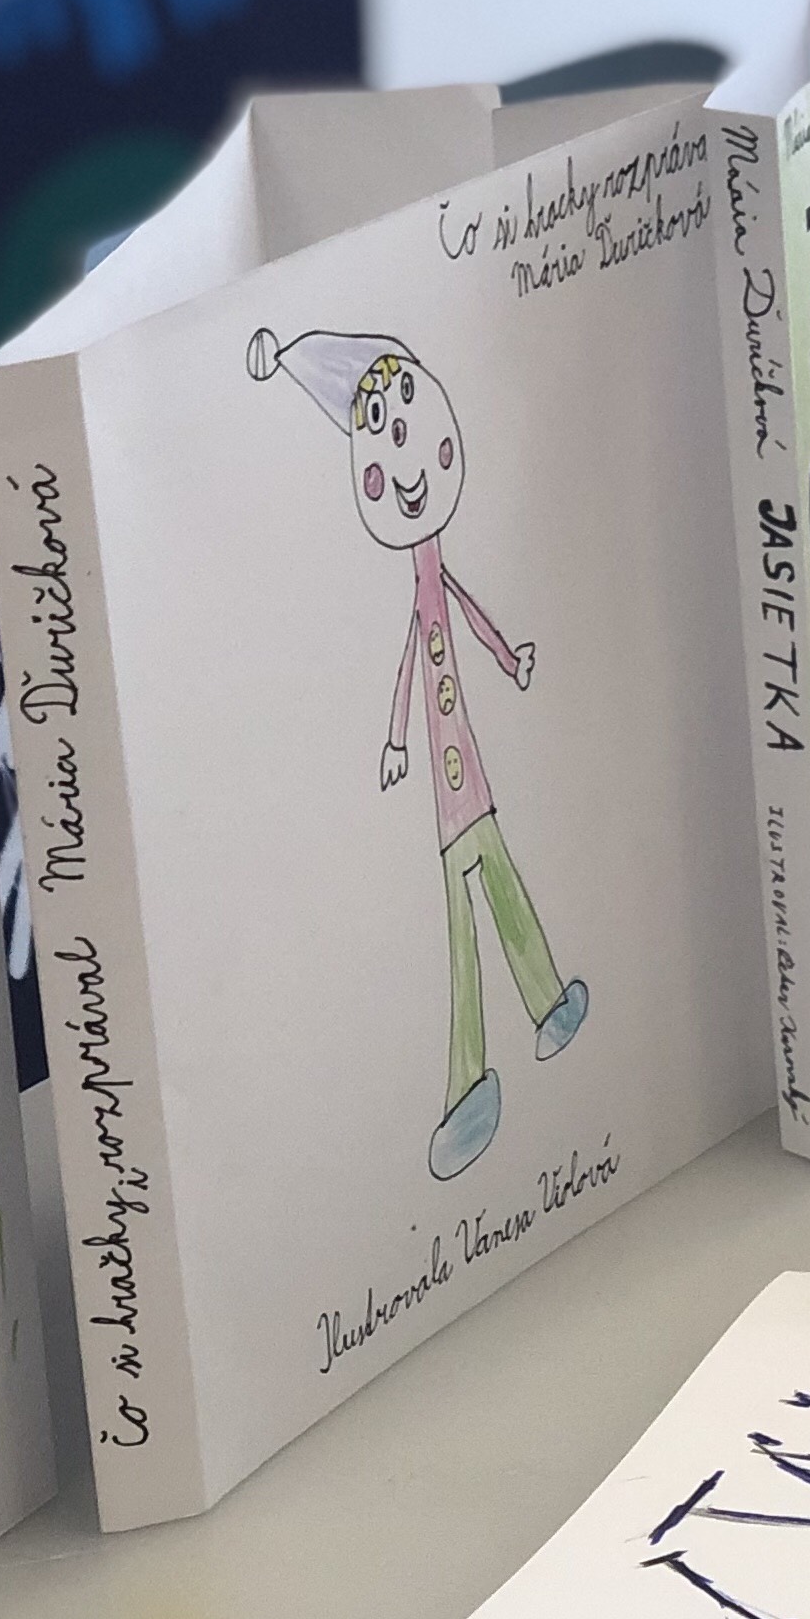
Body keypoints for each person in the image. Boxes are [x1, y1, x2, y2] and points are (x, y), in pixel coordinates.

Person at [253, 328, 588, 1182]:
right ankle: (470, 1080)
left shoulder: (433, 576)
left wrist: (509, 660)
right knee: (465, 916)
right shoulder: (417, 584)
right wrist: (398, 739)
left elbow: (461, 615)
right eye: (387, 451)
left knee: (493, 886)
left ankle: (541, 1013)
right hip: (449, 784)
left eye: (422, 439)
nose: (410, 472)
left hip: (464, 775)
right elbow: (418, 648)